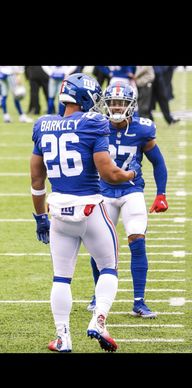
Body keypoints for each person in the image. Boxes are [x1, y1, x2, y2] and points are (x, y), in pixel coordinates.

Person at [30, 73, 140, 353]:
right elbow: (109, 173)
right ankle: (99, 320)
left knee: (61, 277)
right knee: (109, 267)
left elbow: (36, 180)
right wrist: (130, 173)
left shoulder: (43, 124)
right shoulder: (94, 122)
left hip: (58, 212)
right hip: (91, 209)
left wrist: (40, 217)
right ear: (84, 96)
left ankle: (63, 337)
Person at [87, 81, 168, 318]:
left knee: (137, 240)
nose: (116, 107)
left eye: (121, 103)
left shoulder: (143, 129)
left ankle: (139, 301)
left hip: (131, 190)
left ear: (131, 105)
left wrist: (161, 193)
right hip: (103, 192)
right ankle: (97, 294)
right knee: (99, 248)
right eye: (112, 102)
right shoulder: (95, 126)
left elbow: (158, 162)